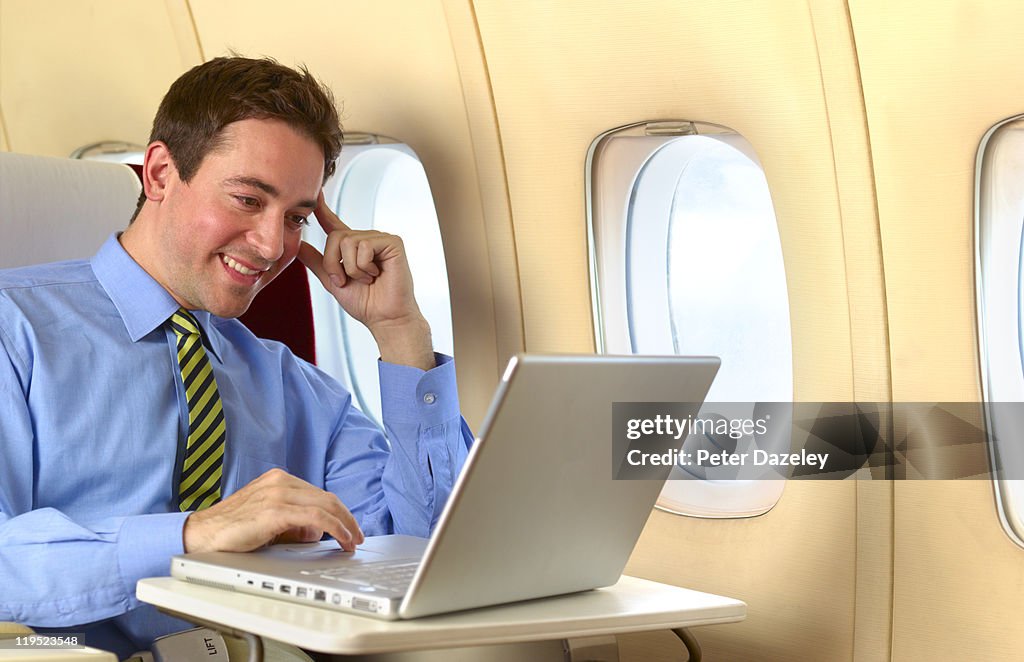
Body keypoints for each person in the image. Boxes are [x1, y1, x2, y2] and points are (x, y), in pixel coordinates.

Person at [0, 56, 472, 657]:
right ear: (162, 174)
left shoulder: (294, 386)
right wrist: (194, 534)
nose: (274, 245)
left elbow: (428, 556)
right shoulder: (12, 331)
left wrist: (401, 332)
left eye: (298, 217)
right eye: (249, 200)